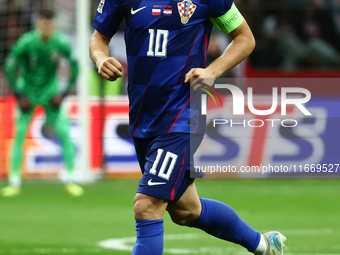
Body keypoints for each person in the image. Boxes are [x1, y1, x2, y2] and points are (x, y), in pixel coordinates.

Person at [90, 0, 286, 254]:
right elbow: (98, 37)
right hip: (142, 117)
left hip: (182, 115)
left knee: (147, 205)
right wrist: (100, 57)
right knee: (186, 210)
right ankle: (265, 245)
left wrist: (213, 70)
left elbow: (244, 38)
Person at [2, 9, 84, 197]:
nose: (47, 28)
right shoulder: (27, 42)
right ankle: (14, 180)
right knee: (19, 134)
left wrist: (63, 93)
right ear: (38, 24)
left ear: (54, 25)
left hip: (50, 92)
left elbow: (75, 66)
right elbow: (9, 64)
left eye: (50, 24)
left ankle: (70, 178)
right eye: (43, 24)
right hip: (27, 92)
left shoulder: (60, 42)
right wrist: (17, 92)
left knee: (64, 131)